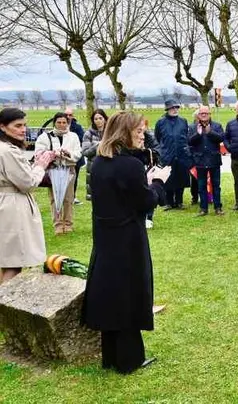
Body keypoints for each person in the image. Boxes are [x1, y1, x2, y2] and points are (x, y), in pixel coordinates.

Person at [82, 110, 171, 375]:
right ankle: (129, 359)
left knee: (112, 293)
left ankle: (111, 356)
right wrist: (157, 182)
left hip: (105, 237)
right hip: (127, 237)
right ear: (124, 133)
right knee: (129, 294)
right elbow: (145, 202)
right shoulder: (129, 165)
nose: (143, 136)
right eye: (139, 131)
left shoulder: (100, 162)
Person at [0, 108, 56, 284]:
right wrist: (41, 165)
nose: (23, 130)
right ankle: (7, 300)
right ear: (2, 126)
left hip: (5, 202)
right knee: (13, 263)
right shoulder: (7, 151)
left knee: (6, 260)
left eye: (24, 125)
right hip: (12, 207)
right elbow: (28, 183)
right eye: (17, 126)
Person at [35, 112, 82, 235]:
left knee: (68, 198)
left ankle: (68, 224)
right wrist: (53, 154)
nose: (62, 125)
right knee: (54, 198)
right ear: (54, 123)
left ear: (68, 123)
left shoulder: (73, 136)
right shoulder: (45, 137)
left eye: (64, 122)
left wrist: (68, 154)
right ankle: (58, 224)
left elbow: (78, 153)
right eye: (59, 122)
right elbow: (38, 153)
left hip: (69, 169)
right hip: (53, 169)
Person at [154, 99, 191, 210]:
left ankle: (179, 201)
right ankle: (169, 202)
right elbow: (158, 137)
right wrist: (164, 150)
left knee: (181, 178)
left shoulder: (183, 121)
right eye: (172, 108)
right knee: (168, 179)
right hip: (167, 155)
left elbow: (186, 136)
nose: (175, 110)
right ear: (167, 109)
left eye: (176, 107)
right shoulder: (160, 122)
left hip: (181, 154)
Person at [188, 106, 224, 216]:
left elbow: (221, 138)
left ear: (210, 114)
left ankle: (218, 208)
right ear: (198, 115)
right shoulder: (193, 127)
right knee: (201, 186)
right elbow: (189, 141)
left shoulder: (217, 126)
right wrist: (198, 134)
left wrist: (210, 132)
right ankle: (203, 208)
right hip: (200, 161)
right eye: (201, 113)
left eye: (206, 113)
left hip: (214, 160)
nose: (204, 115)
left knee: (216, 186)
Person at [81, 109, 108, 201]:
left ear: (105, 119)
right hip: (94, 167)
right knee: (96, 197)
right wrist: (98, 145)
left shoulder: (110, 133)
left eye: (100, 118)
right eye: (96, 119)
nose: (98, 121)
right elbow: (85, 152)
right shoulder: (88, 134)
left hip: (109, 166)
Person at [64, 107, 85, 205]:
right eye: (66, 115)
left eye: (70, 115)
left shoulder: (78, 127)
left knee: (74, 177)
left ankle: (73, 196)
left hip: (75, 157)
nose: (68, 117)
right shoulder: (60, 125)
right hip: (63, 157)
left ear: (73, 116)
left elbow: (81, 139)